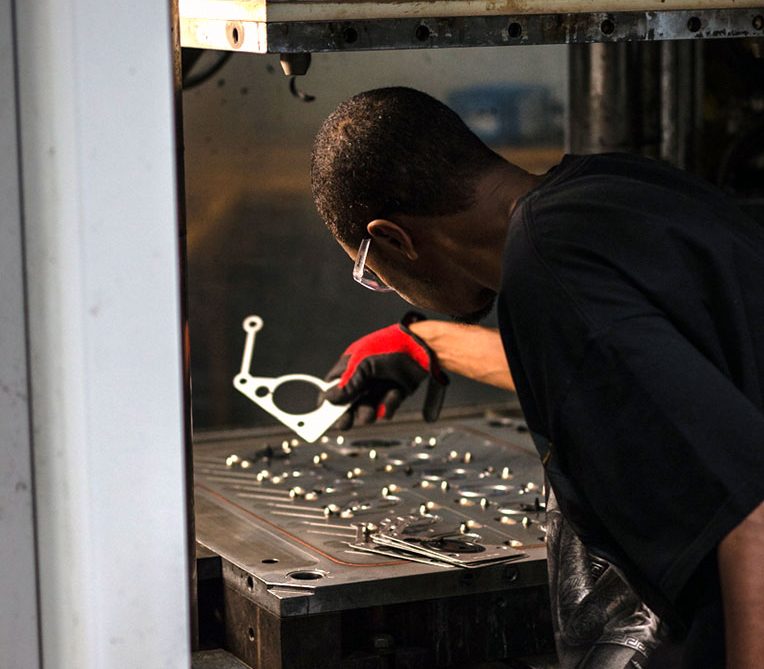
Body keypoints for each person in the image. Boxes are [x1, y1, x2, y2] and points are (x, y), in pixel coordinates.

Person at [309, 86, 764, 669]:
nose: (388, 289)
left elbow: (750, 512)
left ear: (394, 239)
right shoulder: (605, 189)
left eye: (374, 274)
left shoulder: (546, 279)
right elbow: (623, 372)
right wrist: (430, 343)